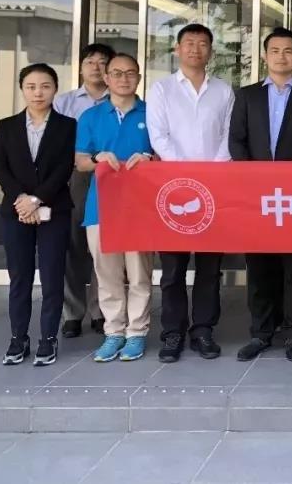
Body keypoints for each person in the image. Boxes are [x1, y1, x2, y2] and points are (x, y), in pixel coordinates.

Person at [229, 27, 292, 362]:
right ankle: (261, 333)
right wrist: (254, 178)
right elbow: (237, 141)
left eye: (288, 51)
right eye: (275, 50)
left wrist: (291, 181)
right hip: (256, 197)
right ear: (264, 56)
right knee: (259, 268)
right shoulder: (246, 96)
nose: (281, 56)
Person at [146, 23, 234, 363]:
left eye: (202, 44)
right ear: (177, 49)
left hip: (215, 189)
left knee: (210, 268)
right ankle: (172, 332)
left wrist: (211, 172)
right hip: (173, 190)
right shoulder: (162, 89)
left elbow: (229, 135)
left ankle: (203, 330)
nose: (195, 49)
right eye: (189, 43)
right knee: (173, 269)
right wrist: (186, 173)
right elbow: (158, 136)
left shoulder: (223, 91)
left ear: (211, 51)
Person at [0, 64, 77, 366]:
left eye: (45, 86)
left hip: (54, 209)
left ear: (55, 89)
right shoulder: (6, 126)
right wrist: (22, 200)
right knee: (20, 277)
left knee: (52, 276)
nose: (38, 92)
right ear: (22, 89)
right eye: (31, 86)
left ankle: (48, 338)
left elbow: (64, 168)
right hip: (15, 211)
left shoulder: (68, 126)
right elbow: (0, 168)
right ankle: (18, 338)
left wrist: (37, 199)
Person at [74, 53, 155, 363]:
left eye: (130, 73)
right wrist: (97, 158)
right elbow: (81, 161)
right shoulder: (91, 116)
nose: (124, 79)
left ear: (139, 78)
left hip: (140, 208)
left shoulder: (152, 113)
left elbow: (165, 155)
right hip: (101, 207)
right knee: (106, 274)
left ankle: (137, 333)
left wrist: (150, 159)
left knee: (139, 274)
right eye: (117, 73)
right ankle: (114, 332)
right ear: (106, 78)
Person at [53, 42, 115, 339]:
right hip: (74, 176)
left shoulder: (121, 100)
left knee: (105, 246)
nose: (96, 67)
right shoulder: (64, 102)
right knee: (72, 245)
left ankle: (100, 310)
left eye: (103, 62)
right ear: (80, 67)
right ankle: (72, 313)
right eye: (90, 61)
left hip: (111, 176)